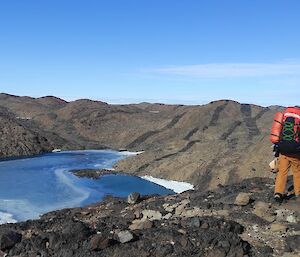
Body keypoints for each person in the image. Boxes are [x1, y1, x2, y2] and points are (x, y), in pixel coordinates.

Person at [271, 106, 300, 204]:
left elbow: (278, 133)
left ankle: (278, 193)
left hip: (283, 150)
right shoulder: (298, 120)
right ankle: (298, 193)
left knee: (282, 172)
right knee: (297, 171)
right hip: (295, 151)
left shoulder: (285, 117)